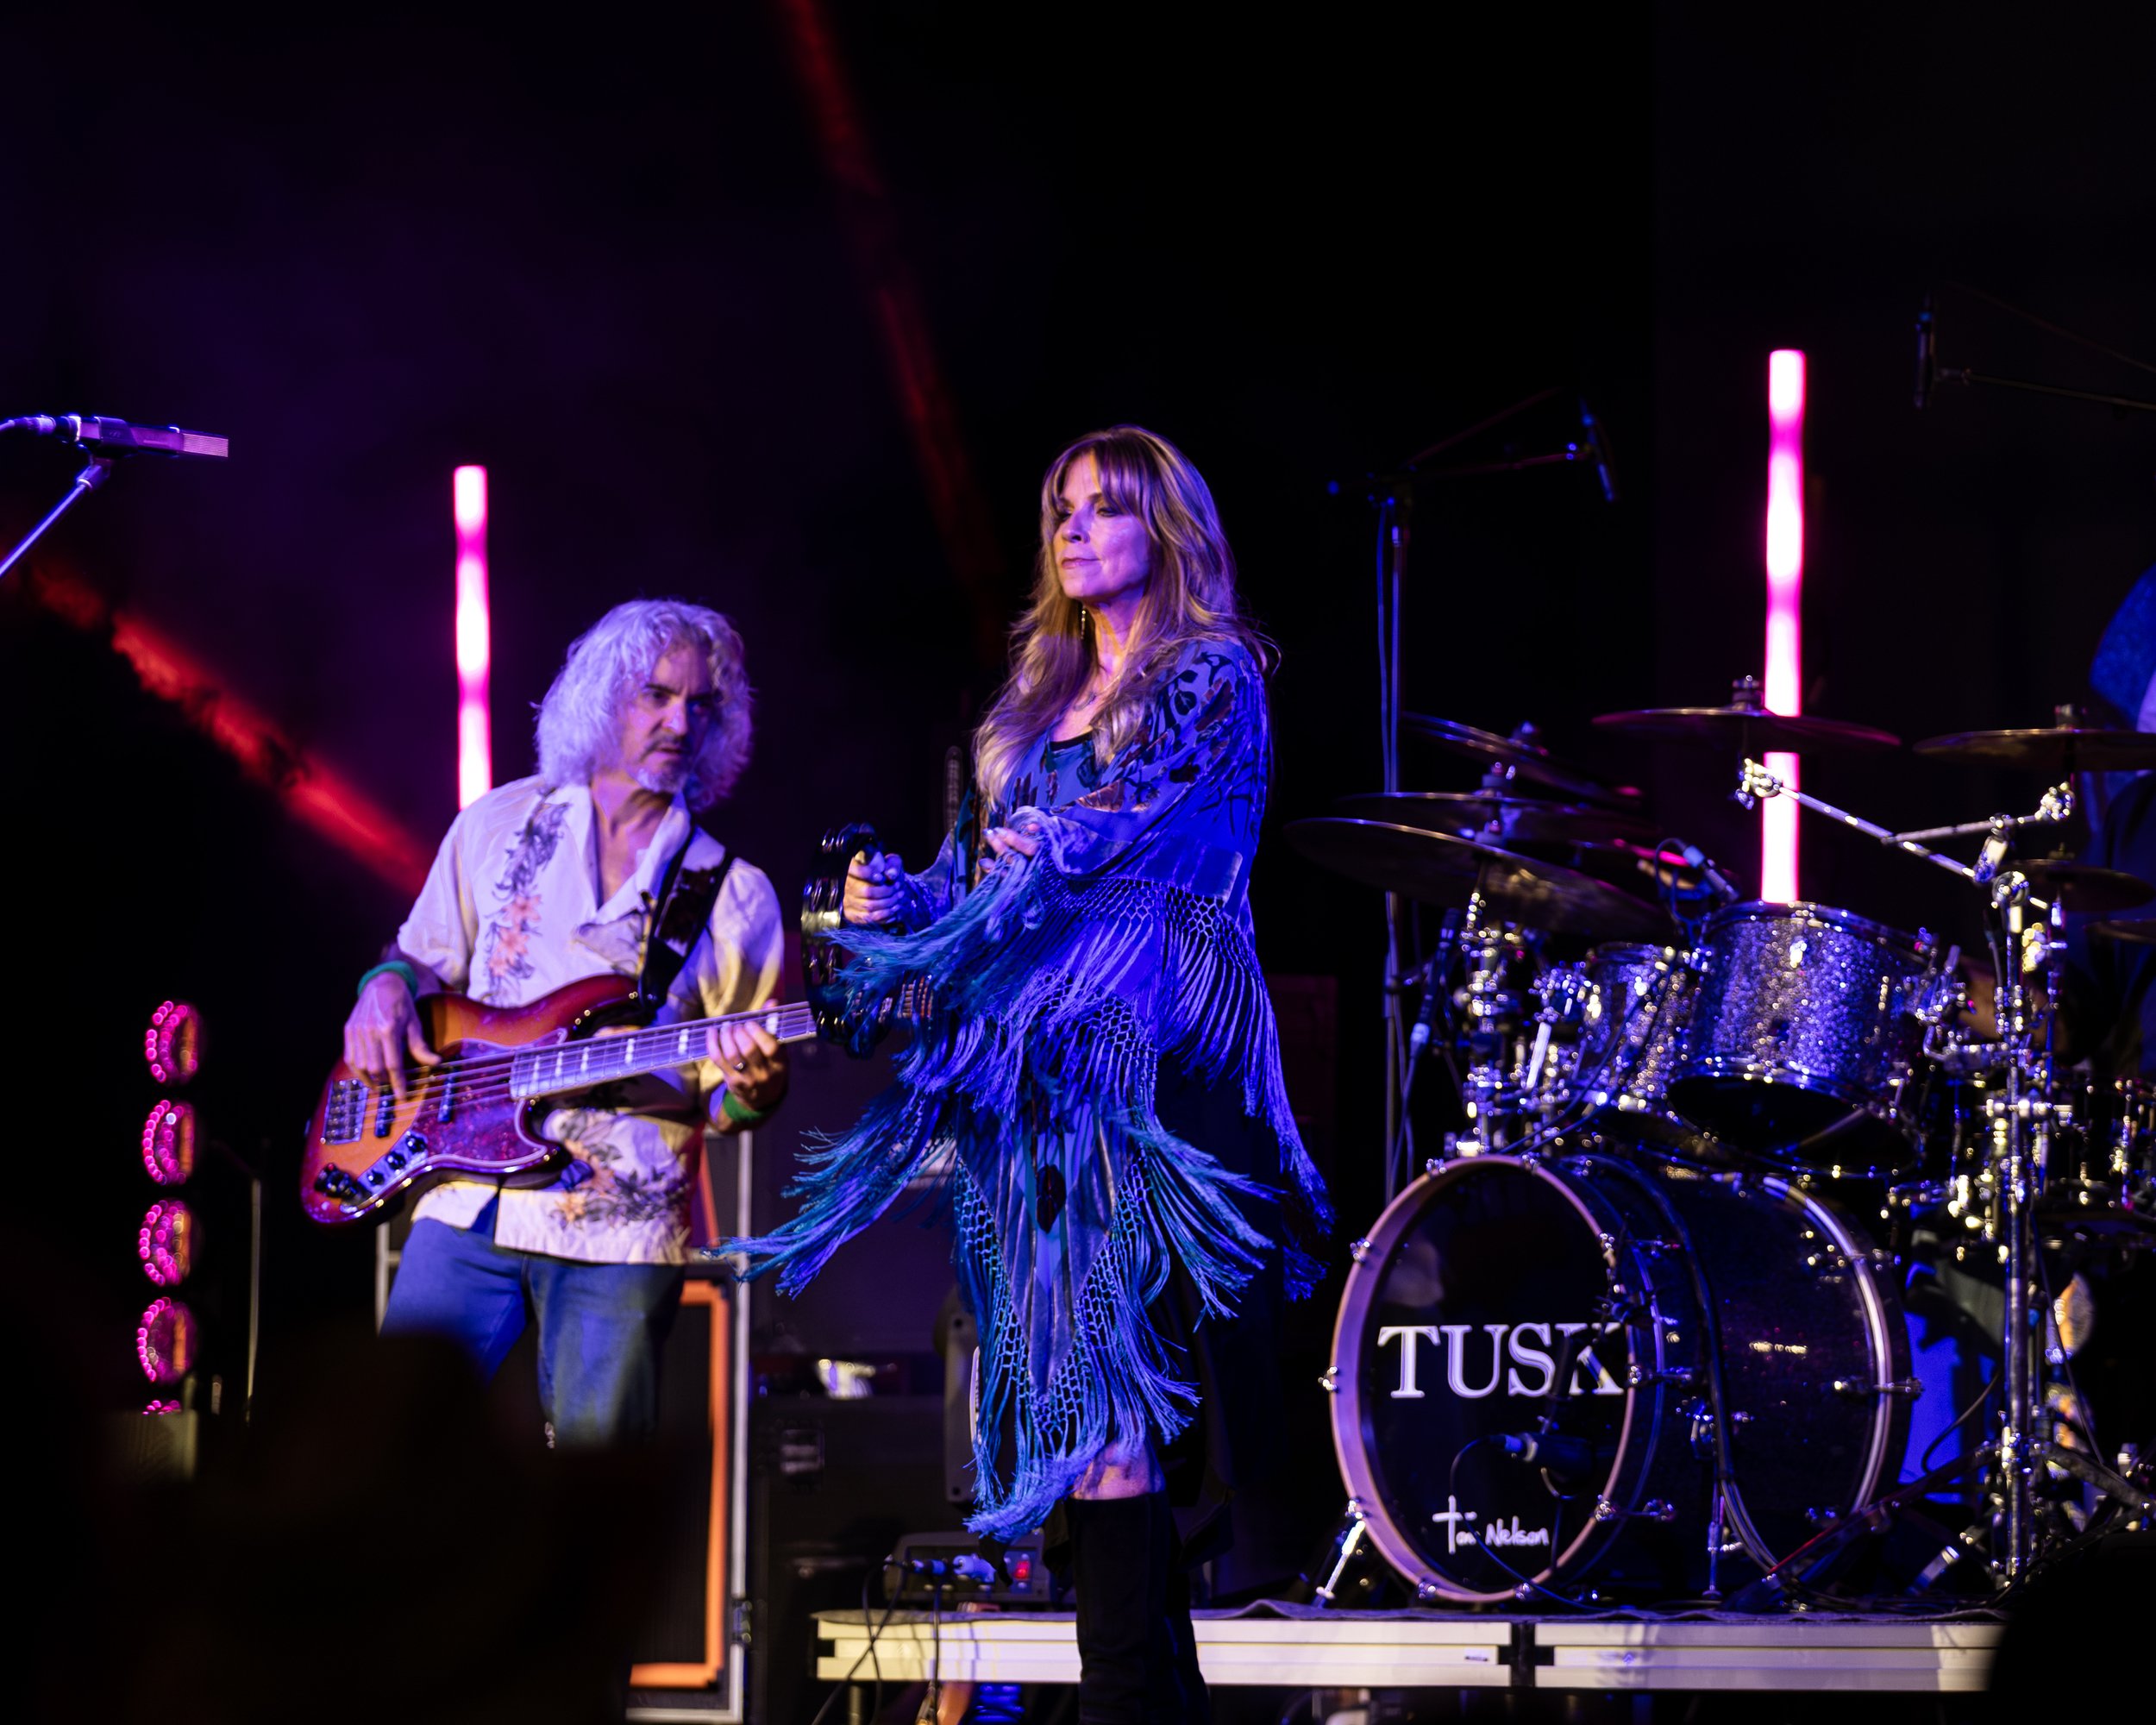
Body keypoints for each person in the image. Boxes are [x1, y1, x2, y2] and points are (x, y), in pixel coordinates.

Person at [729, 427, 1330, 1725]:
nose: (1072, 529)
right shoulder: (1025, 703)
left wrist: (1040, 849)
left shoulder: (1213, 674)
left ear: (1164, 531)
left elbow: (1142, 822)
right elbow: (976, 874)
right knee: (1090, 1439)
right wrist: (906, 895)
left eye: (1104, 508)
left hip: (1151, 1059)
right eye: (1060, 508)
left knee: (1127, 1427)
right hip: (1039, 1085)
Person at [342, 598, 789, 1446]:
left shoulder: (734, 894)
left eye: (701, 705)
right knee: (391, 1451)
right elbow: (417, 959)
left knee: (598, 1500)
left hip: (617, 1223)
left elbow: (724, 1108)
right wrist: (382, 987)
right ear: (599, 694)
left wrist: (754, 1091)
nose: (678, 721)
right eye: (655, 695)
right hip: (465, 1199)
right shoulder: (497, 823)